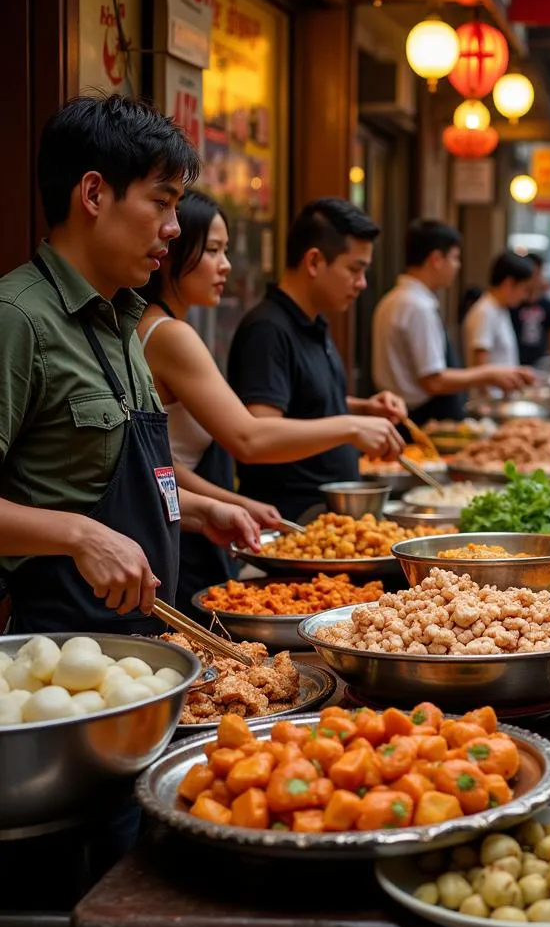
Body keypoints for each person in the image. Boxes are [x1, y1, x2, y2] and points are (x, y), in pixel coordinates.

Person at [0, 93, 260, 927]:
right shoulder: (19, 319)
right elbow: (69, 511)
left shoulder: (123, 322)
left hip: (145, 679)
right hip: (56, 693)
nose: (175, 226)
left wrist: (198, 506)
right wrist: (74, 534)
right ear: (94, 194)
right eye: (162, 199)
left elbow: (122, 468)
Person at [138, 191, 406, 614]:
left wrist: (233, 504)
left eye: (225, 250)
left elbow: (166, 464)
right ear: (170, 250)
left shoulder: (165, 327)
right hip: (179, 543)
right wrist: (352, 427)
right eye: (212, 251)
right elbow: (249, 435)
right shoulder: (172, 334)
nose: (226, 265)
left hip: (193, 528)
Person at [227, 198, 407, 522]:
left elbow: (307, 402)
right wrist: (351, 427)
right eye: (355, 269)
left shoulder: (313, 322)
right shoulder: (267, 329)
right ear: (314, 262)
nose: (362, 283)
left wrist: (365, 409)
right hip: (293, 523)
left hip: (330, 518)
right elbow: (260, 433)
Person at [372, 220, 534, 425]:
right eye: (455, 258)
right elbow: (434, 381)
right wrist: (489, 374)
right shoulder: (416, 306)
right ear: (436, 259)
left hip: (408, 414)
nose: (457, 266)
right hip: (418, 418)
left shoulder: (395, 298)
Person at [462, 250, 536, 368]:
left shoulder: (500, 309)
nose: (524, 296)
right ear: (509, 283)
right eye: (523, 289)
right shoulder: (484, 312)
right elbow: (481, 367)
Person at [511, 252, 550, 365]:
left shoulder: (548, 304)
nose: (536, 278)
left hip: (541, 364)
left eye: (539, 273)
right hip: (515, 363)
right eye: (534, 273)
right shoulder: (513, 303)